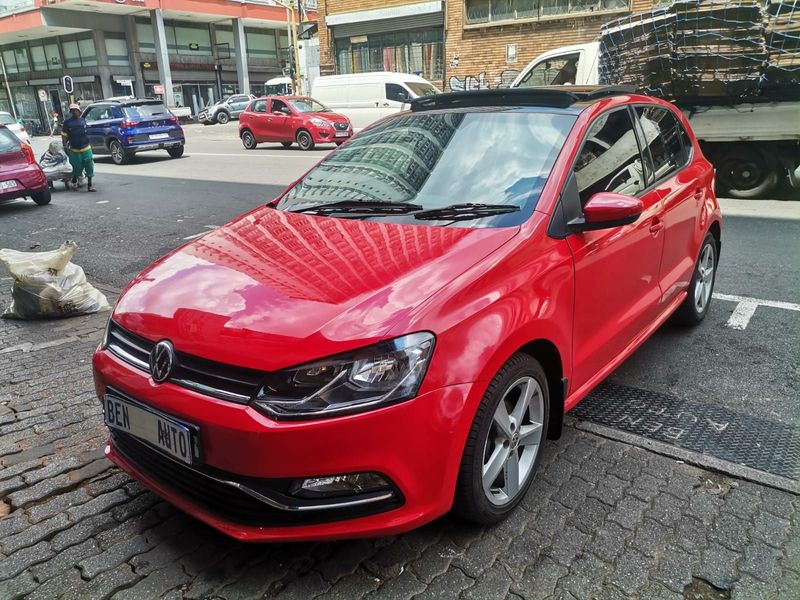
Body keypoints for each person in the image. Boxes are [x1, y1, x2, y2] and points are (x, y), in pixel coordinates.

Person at [61, 103, 96, 192]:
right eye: (73, 111)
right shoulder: (67, 123)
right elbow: (64, 136)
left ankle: (90, 184)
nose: (75, 112)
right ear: (71, 112)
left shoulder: (83, 121)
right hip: (74, 149)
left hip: (86, 147)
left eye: (76, 110)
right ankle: (74, 180)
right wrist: (65, 146)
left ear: (79, 111)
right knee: (77, 167)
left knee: (89, 165)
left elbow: (87, 133)